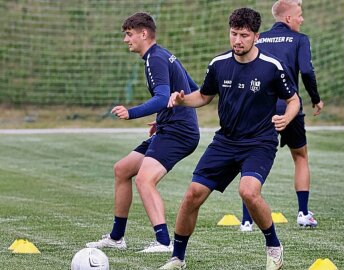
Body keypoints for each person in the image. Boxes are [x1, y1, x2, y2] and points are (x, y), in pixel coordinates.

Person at [159, 7, 300, 270]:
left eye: (244, 35)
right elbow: (203, 96)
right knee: (192, 194)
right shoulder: (218, 64)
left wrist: (287, 117)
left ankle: (274, 247)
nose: (237, 40)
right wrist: (181, 100)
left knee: (248, 191)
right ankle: (177, 258)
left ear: (256, 37)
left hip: (259, 142)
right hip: (226, 141)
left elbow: (293, 99)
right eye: (234, 34)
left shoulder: (272, 67)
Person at [86, 12, 200, 253]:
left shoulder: (155, 59)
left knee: (144, 180)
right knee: (122, 169)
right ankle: (117, 237)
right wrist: (161, 120)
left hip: (179, 132)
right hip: (170, 128)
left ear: (144, 34)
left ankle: (163, 241)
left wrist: (131, 112)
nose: (126, 40)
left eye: (129, 34)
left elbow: (161, 98)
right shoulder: (163, 55)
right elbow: (192, 89)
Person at [240, 0, 324, 232]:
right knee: (300, 156)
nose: (302, 19)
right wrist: (316, 98)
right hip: (289, 107)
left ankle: (247, 220)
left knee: (251, 155)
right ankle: (303, 213)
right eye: (299, 14)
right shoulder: (300, 40)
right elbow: (306, 70)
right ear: (288, 18)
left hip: (259, 108)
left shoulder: (258, 38)